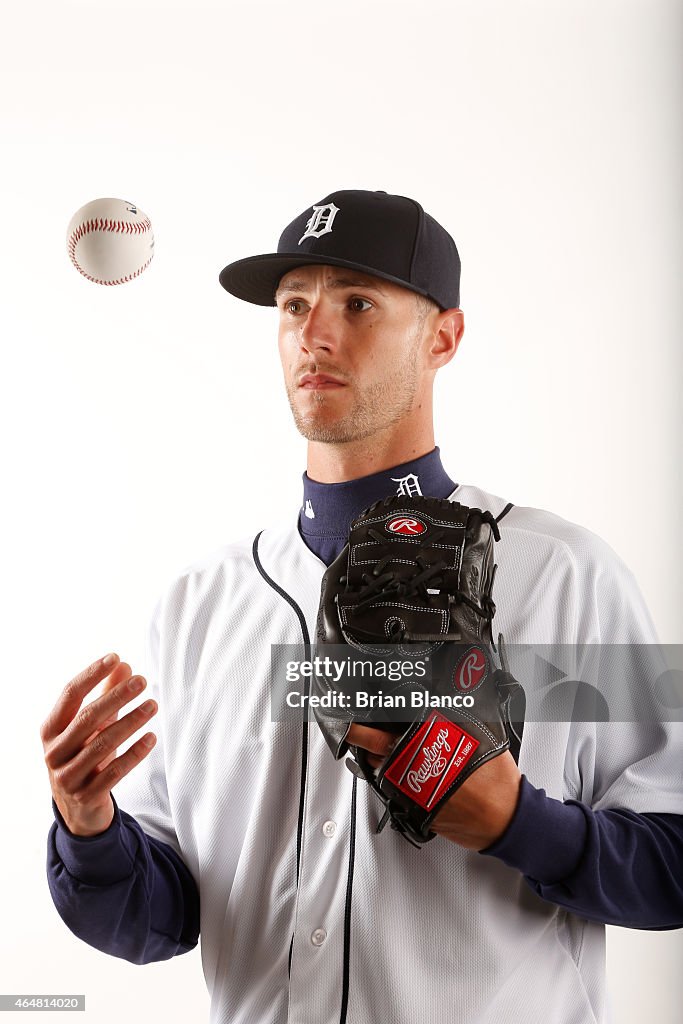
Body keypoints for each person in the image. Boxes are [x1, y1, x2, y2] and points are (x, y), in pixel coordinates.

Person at [42, 190, 683, 1024]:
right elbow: (160, 919)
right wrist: (89, 829)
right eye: (294, 305)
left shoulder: (563, 574)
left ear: (443, 338)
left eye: (357, 302)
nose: (315, 333)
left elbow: (671, 861)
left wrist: (519, 825)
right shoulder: (201, 603)